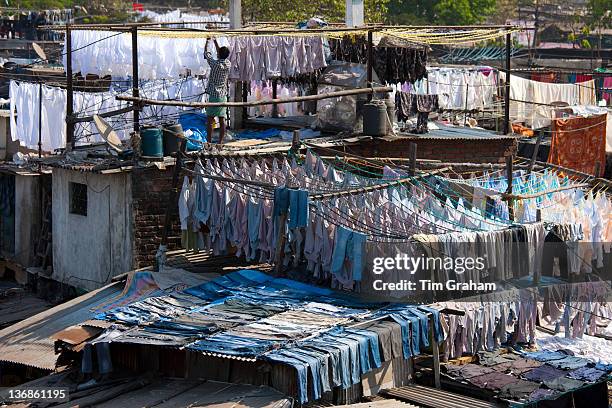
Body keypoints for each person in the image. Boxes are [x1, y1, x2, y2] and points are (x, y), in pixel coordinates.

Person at [204, 37, 231, 145]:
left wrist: (207, 41)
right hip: (222, 96)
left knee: (210, 120)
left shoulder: (214, 64)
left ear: (218, 54)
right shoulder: (228, 64)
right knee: (222, 119)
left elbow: (206, 53)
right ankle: (220, 142)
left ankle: (209, 142)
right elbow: (220, 54)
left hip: (214, 96)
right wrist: (215, 42)